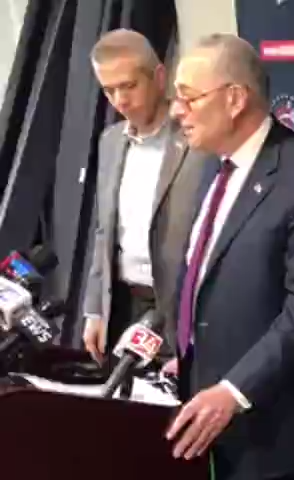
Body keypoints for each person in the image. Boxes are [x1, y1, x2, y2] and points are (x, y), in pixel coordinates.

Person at [163, 33, 294, 480]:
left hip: (269, 425)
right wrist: (187, 352)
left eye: (188, 97)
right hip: (205, 409)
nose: (175, 111)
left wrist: (233, 391)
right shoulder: (213, 163)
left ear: (234, 99)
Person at [82, 28, 183, 366]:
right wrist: (95, 309)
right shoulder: (110, 141)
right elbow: (104, 232)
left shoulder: (196, 139)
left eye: (128, 86)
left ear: (158, 77)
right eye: (109, 90)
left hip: (181, 306)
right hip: (124, 304)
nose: (119, 101)